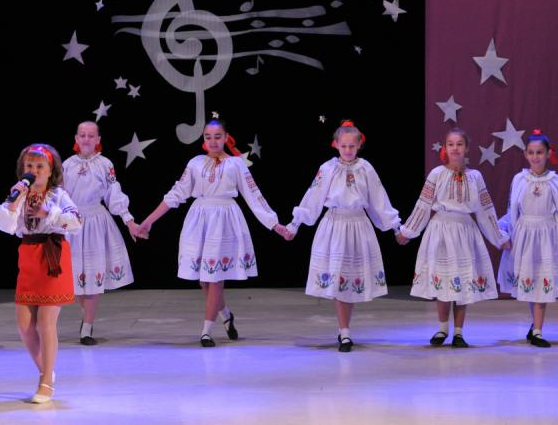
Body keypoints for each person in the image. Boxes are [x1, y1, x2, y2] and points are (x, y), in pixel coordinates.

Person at [136, 119, 289, 347]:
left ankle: (206, 332)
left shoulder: (236, 164)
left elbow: (253, 195)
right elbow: (176, 193)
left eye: (218, 136)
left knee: (215, 278)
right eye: (208, 137)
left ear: (226, 137)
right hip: (199, 220)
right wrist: (148, 221)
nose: (213, 141)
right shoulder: (195, 163)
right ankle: (226, 314)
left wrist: (274, 224)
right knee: (204, 281)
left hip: (224, 220)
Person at [282, 121, 402, 352]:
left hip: (358, 226)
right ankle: (344, 331)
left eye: (352, 146)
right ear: (336, 144)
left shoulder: (366, 168)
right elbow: (313, 197)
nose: (347, 150)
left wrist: (396, 228)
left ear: (359, 146)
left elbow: (379, 200)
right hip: (334, 226)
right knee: (338, 278)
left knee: (349, 278)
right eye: (343, 146)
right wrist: (295, 224)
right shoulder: (328, 168)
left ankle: (345, 330)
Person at [397, 128, 509, 348]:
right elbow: (423, 205)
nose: (455, 148)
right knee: (443, 279)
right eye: (451, 144)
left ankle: (458, 332)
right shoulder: (437, 174)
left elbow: (485, 210)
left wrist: (499, 238)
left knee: (462, 282)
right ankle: (442, 329)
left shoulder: (475, 177)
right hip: (440, 231)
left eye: (459, 144)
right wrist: (408, 231)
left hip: (464, 232)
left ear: (466, 148)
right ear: (445, 148)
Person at [0, 143, 82, 403]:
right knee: (24, 325)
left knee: (45, 323)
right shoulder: (20, 195)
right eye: (29, 166)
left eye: (39, 166)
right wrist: (13, 203)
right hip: (29, 258)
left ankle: (45, 382)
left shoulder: (58, 195)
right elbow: (5, 226)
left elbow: (76, 222)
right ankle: (46, 370)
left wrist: (48, 213)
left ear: (50, 170)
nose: (33, 170)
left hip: (52, 257)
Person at [497, 129, 558, 347]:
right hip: (525, 237)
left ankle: (537, 331)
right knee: (531, 283)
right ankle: (534, 326)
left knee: (541, 284)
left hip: (546, 238)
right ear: (525, 154)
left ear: (548, 154)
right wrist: (505, 234)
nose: (535, 157)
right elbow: (512, 210)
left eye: (539, 152)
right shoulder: (519, 179)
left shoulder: (554, 181)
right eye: (531, 152)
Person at [63, 121, 140, 345]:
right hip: (73, 223)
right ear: (76, 138)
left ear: (98, 139)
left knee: (94, 277)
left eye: (91, 135)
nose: (86, 139)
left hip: (96, 223)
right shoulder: (67, 165)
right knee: (75, 281)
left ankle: (87, 327)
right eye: (82, 135)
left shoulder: (105, 164)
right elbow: (59, 195)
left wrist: (129, 220)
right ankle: (86, 315)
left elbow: (114, 194)